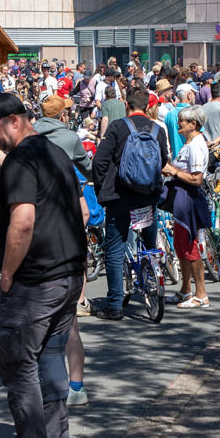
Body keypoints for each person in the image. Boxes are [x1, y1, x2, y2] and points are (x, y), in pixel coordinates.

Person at [0, 94, 87, 438]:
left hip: (37, 281)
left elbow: (23, 222)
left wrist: (6, 274)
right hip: (65, 275)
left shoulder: (23, 159)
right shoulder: (56, 151)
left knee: (19, 365)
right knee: (50, 360)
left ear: (12, 121)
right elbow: (79, 209)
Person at [91, 86, 172, 320]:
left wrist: (101, 190)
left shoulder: (118, 127)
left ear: (127, 104)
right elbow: (163, 160)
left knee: (115, 249)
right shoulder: (157, 129)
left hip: (120, 196)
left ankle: (115, 305)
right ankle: (153, 284)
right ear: (148, 106)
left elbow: (99, 162)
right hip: (148, 196)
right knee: (149, 244)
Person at [167, 107, 211, 309]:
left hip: (188, 199)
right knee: (181, 246)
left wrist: (173, 172)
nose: (179, 124)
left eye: (182, 121)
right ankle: (186, 289)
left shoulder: (195, 146)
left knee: (190, 247)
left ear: (193, 124)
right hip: (182, 199)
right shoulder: (190, 143)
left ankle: (201, 294)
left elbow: (197, 179)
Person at [33, 95, 94, 179]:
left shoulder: (28, 134)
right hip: (58, 189)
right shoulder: (70, 137)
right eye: (68, 113)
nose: (69, 116)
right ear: (62, 117)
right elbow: (88, 169)